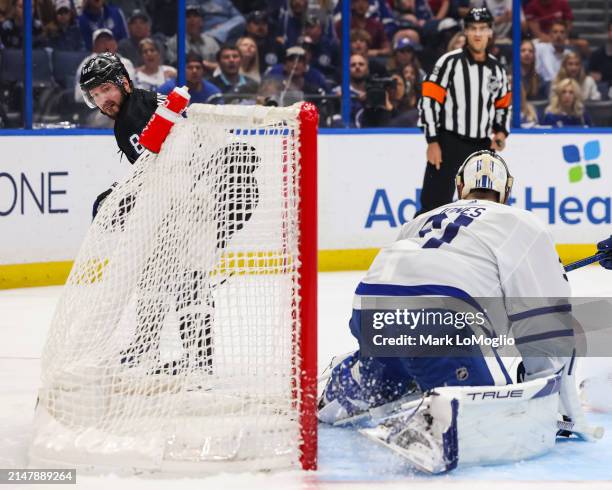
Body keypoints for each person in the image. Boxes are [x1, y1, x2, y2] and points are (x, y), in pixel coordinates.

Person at [319, 150, 589, 469]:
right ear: (507, 191)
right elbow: (545, 320)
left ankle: (353, 375)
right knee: (491, 406)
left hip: (370, 310)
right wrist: (552, 394)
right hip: (441, 320)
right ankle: (440, 416)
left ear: (459, 186)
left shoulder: (420, 220)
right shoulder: (521, 223)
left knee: (396, 370)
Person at [80, 52, 259, 374]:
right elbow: (163, 166)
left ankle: (197, 363)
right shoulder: (141, 107)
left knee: (186, 275)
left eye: (105, 89)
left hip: (211, 189)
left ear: (123, 82)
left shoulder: (134, 114)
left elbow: (169, 170)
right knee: (156, 268)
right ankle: (149, 346)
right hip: (214, 187)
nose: (102, 99)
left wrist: (124, 198)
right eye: (94, 95)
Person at [416, 7, 510, 216]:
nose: (477, 34)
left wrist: (501, 132)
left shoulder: (497, 70)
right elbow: (429, 101)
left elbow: (503, 105)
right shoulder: (449, 62)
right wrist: (432, 141)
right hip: (448, 142)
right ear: (465, 32)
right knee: (432, 206)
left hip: (482, 147)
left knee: (482, 208)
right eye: (473, 28)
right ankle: (421, 248)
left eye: (482, 28)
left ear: (490, 32)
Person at [165, 4, 220, 74]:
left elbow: (221, 66)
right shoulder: (174, 42)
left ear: (201, 21)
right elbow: (172, 67)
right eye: (188, 16)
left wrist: (208, 64)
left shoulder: (211, 42)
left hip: (211, 79)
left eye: (195, 16)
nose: (192, 19)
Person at [588, 21, 612, 89]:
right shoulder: (597, 55)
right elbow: (593, 76)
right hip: (603, 91)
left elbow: (601, 76)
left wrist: (603, 76)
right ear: (608, 33)